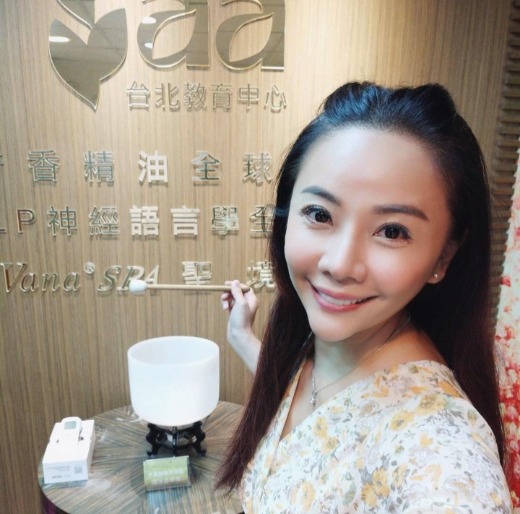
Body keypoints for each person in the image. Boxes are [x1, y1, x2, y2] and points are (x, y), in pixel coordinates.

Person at [217, 82, 513, 513]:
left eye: (392, 231)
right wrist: (241, 335)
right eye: (320, 214)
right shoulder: (324, 341)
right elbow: (311, 410)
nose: (340, 265)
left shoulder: (441, 449)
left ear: (443, 256)